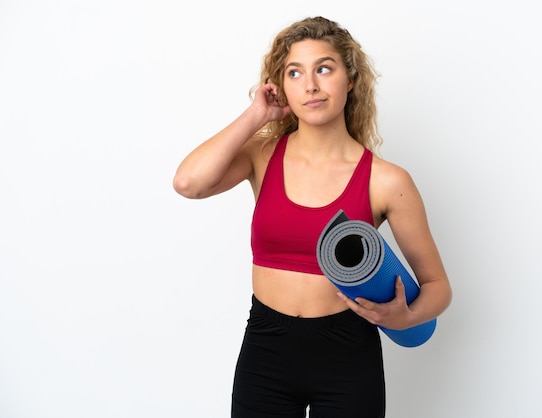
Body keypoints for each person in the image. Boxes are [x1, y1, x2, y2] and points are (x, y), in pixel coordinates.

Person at [173, 16, 452, 418]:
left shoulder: (387, 181)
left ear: (350, 79)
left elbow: (438, 286)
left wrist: (407, 315)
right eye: (294, 73)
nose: (311, 85)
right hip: (266, 348)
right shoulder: (262, 155)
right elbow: (188, 183)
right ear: (281, 86)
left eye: (324, 68)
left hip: (347, 353)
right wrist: (256, 115)